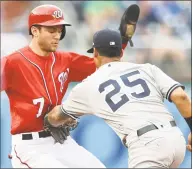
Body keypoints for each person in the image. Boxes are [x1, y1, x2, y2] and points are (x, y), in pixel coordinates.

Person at [0, 3, 141, 167]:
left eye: (60, 30)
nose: (57, 35)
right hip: (30, 147)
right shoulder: (13, 63)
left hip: (60, 141)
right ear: (35, 31)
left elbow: (104, 65)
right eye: (51, 30)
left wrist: (121, 41)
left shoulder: (65, 60)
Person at [45, 28, 192, 168]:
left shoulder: (89, 85)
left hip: (147, 146)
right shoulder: (147, 69)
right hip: (175, 139)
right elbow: (181, 96)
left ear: (95, 53)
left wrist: (47, 120)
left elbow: (56, 116)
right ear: (121, 53)